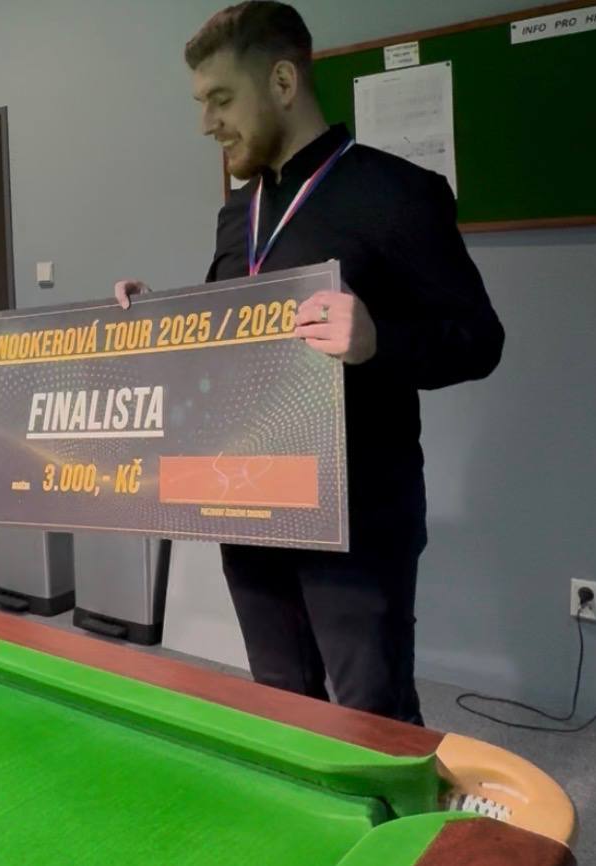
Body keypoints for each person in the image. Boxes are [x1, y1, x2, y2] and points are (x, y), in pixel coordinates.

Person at [115, 2, 504, 723]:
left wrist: (377, 341)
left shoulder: (398, 194)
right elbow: (232, 341)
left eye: (220, 99)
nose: (206, 124)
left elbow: (480, 340)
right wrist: (159, 317)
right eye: (201, 103)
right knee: (280, 701)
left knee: (372, 717)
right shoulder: (238, 213)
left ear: (284, 82)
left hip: (359, 517)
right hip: (249, 504)